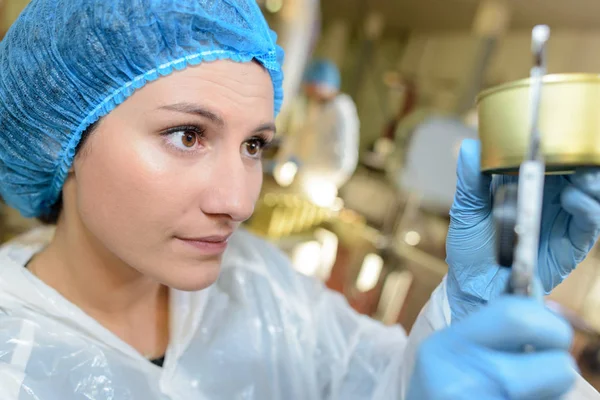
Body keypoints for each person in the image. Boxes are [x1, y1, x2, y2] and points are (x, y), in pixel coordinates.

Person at [0, 1, 598, 399]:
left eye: (255, 144)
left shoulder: (261, 286)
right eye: (188, 135)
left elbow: (385, 383)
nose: (238, 201)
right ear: (60, 137)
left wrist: (470, 312)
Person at [274, 59, 359, 200]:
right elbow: (302, 135)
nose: (309, 93)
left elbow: (342, 159)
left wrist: (306, 165)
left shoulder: (341, 110)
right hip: (307, 177)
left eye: (312, 87)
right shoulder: (318, 108)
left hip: (321, 183)